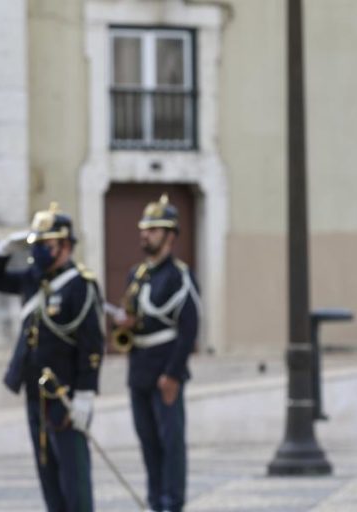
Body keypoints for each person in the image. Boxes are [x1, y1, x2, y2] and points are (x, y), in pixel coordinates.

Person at [0, 202, 104, 512]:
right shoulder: (33, 278)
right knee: (47, 471)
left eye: (47, 245)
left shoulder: (81, 284)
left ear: (65, 246)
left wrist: (86, 395)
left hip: (66, 395)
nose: (40, 252)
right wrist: (3, 248)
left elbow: (92, 344)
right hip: (35, 391)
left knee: (73, 479)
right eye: (38, 244)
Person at [111, 194, 200, 512]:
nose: (144, 234)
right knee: (148, 444)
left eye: (153, 229)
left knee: (171, 446)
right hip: (140, 371)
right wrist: (127, 322)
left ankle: (172, 504)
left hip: (166, 372)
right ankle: (154, 503)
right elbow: (139, 318)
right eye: (144, 229)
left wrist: (173, 374)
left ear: (170, 236)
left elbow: (189, 328)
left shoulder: (180, 276)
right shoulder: (137, 274)